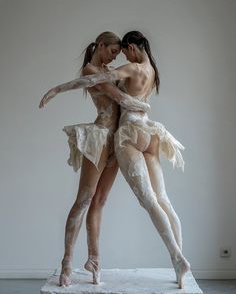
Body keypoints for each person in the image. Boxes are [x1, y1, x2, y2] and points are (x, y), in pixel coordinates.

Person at [40, 31, 190, 289]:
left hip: (119, 140)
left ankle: (94, 260)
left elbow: (127, 88)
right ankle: (67, 261)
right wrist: (56, 89)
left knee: (100, 200)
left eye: (119, 53)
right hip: (100, 138)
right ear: (101, 46)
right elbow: (120, 98)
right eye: (112, 52)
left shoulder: (117, 69)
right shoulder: (90, 69)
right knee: (85, 199)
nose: (115, 57)